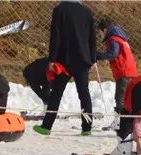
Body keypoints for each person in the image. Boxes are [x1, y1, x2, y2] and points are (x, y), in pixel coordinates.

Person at [34, 0, 96, 137]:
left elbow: (55, 36)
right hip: (83, 58)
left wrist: (52, 59)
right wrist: (93, 58)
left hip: (64, 60)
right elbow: (92, 37)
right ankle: (87, 128)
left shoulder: (59, 10)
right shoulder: (87, 12)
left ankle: (47, 126)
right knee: (84, 94)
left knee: (56, 93)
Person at [95, 16, 137, 133]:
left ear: (104, 30)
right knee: (126, 97)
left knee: (120, 97)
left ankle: (120, 123)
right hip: (129, 70)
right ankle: (128, 122)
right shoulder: (121, 37)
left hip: (123, 71)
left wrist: (99, 55)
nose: (99, 36)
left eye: (99, 33)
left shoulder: (113, 39)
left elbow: (113, 53)